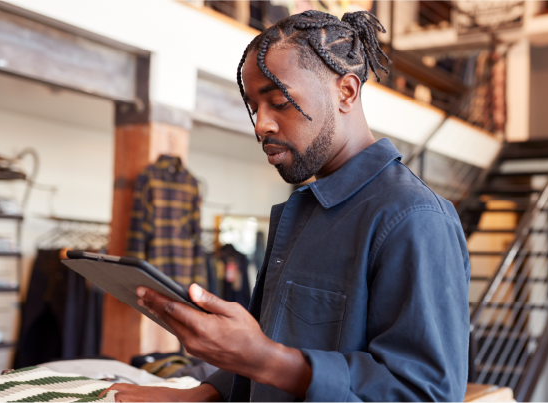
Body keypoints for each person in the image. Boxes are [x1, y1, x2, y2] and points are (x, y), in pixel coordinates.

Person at [102, 10, 470, 403]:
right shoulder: (306, 210)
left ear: (346, 92)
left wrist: (264, 359)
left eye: (279, 101)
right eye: (254, 107)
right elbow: (282, 344)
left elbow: (424, 394)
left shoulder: (415, 219)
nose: (261, 125)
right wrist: (201, 394)